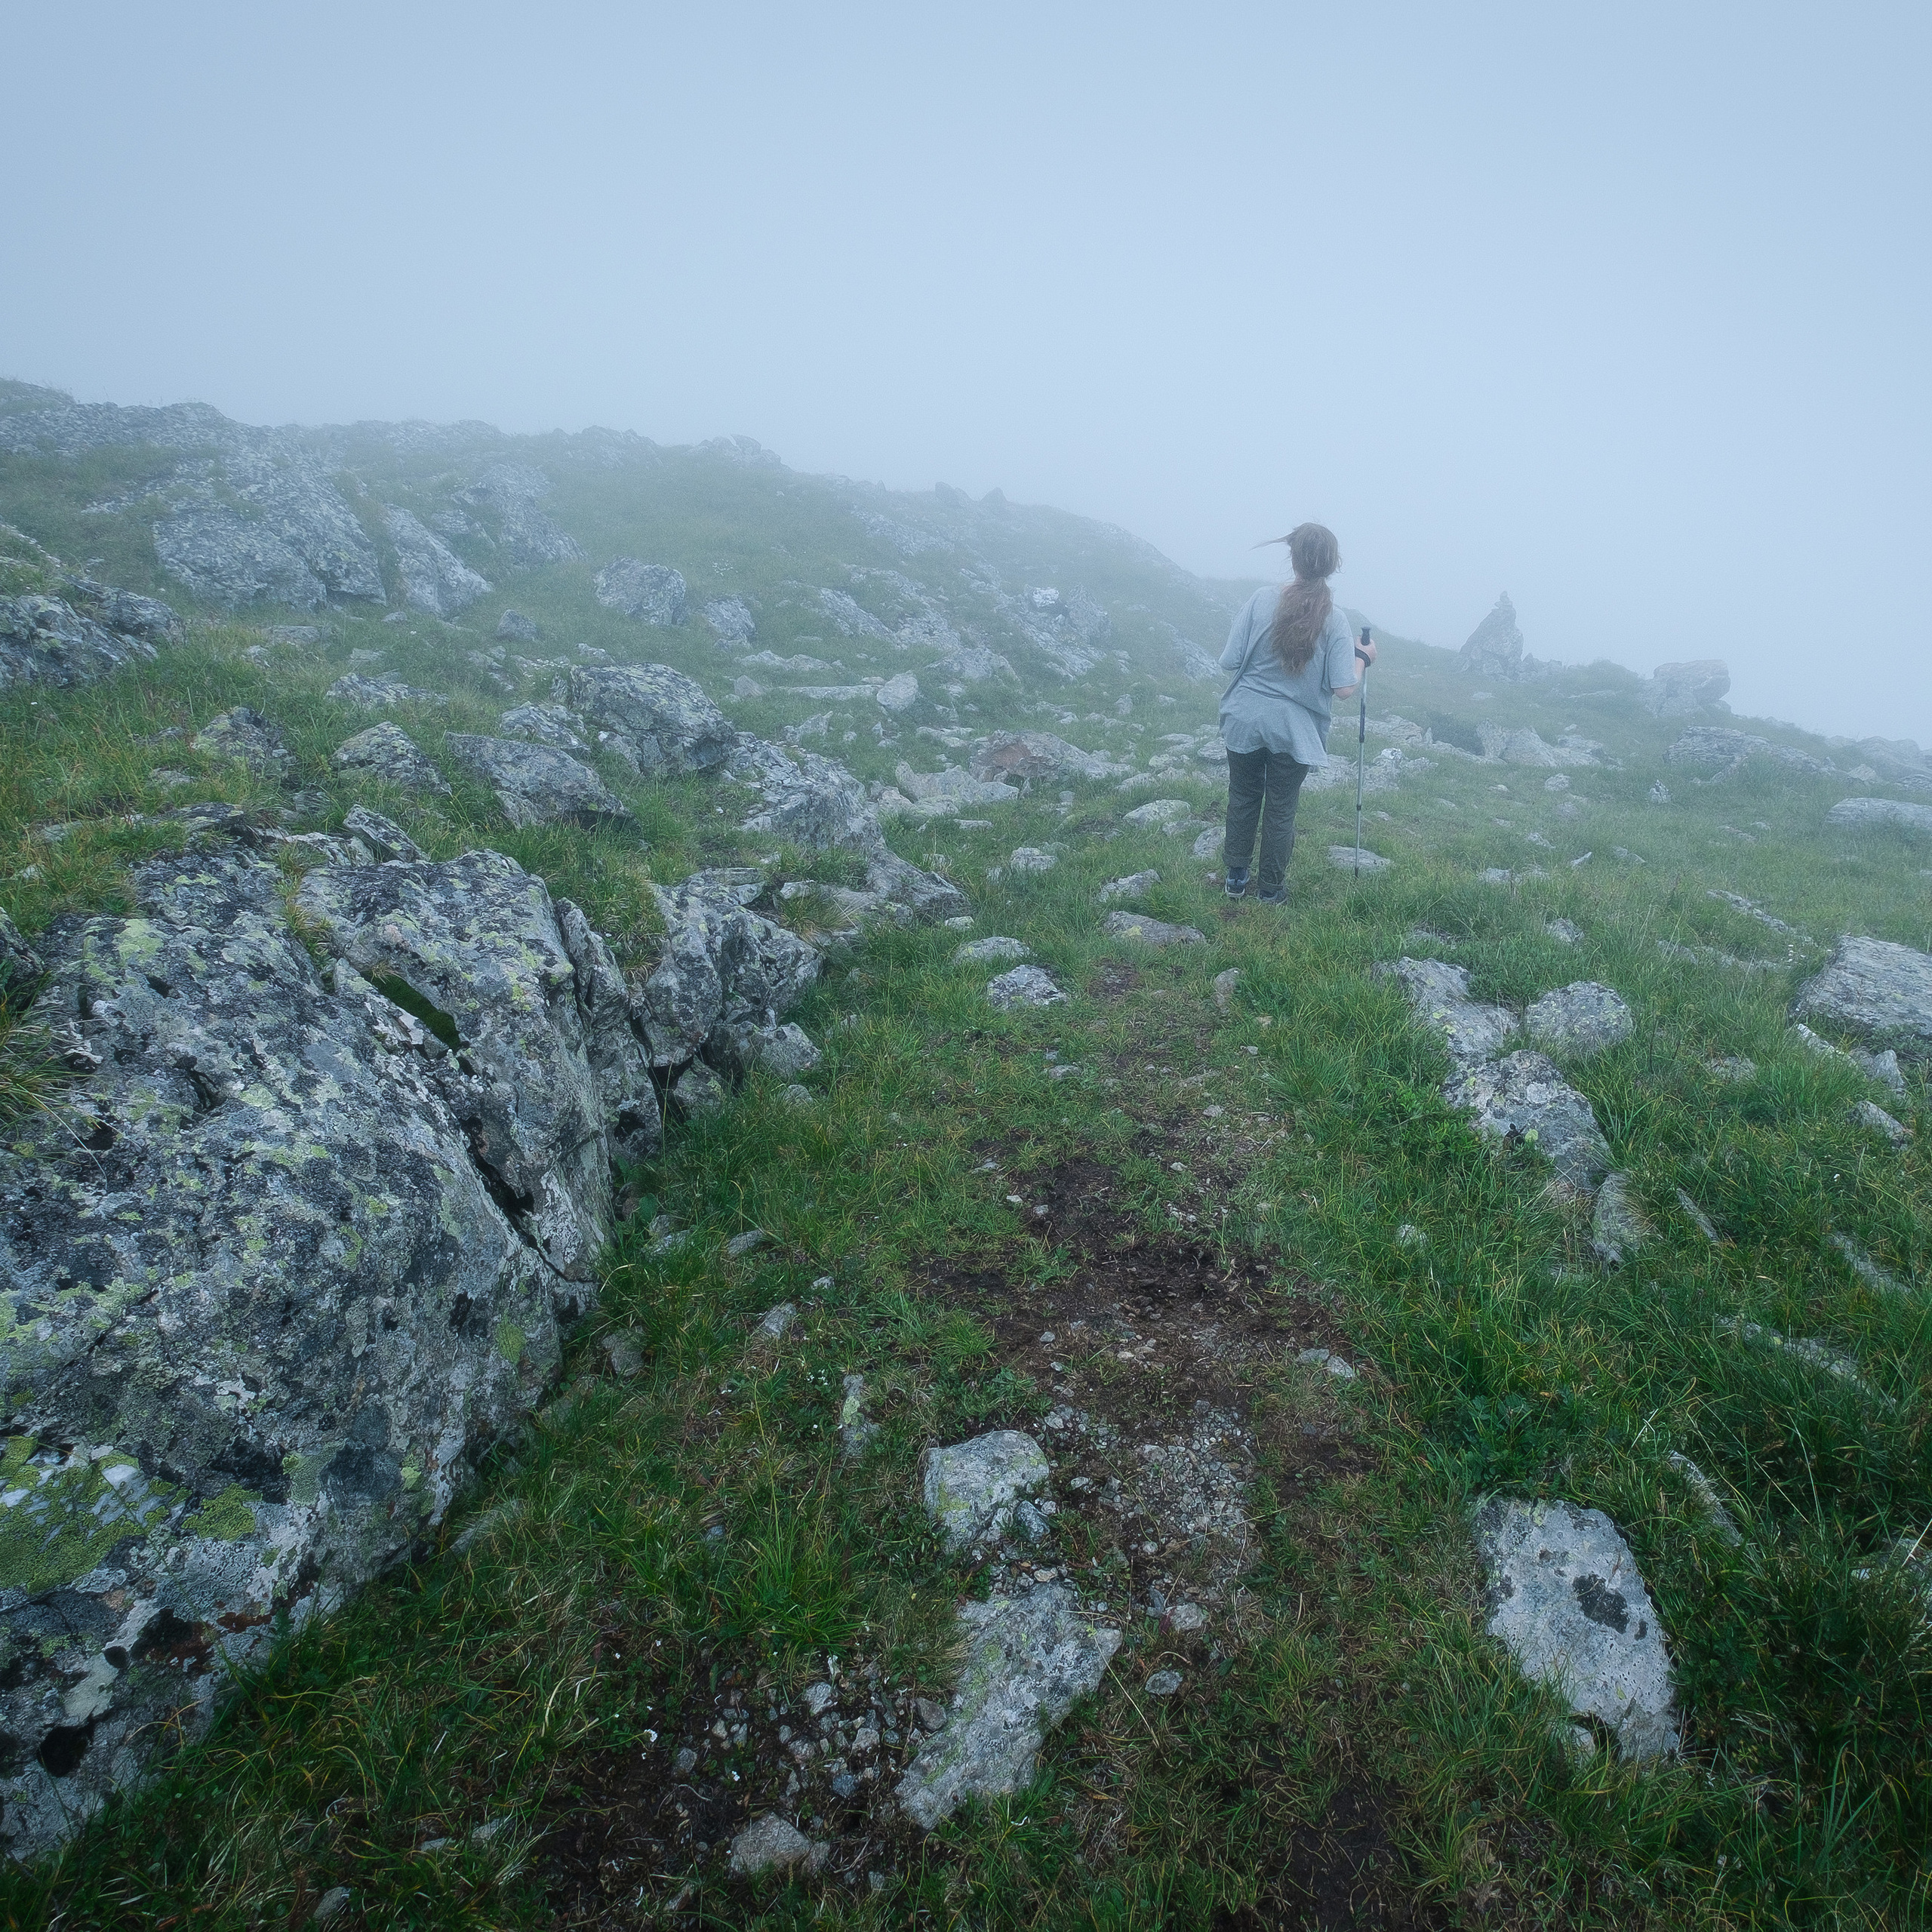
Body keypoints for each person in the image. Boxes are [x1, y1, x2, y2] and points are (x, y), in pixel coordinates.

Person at [1216, 521, 1375, 903]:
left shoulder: (1260, 600)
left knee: (1243, 795)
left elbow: (1229, 661)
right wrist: (1363, 659)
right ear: (1333, 565)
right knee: (1281, 808)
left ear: (1292, 556)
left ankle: (1236, 879)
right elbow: (1343, 689)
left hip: (1245, 719)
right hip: (1294, 729)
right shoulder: (1335, 621)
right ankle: (1271, 890)